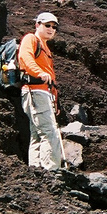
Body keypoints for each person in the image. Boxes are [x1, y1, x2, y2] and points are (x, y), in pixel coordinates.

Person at [18, 12, 65, 170]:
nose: (51, 29)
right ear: (37, 25)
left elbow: (51, 79)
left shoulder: (45, 48)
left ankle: (36, 171)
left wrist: (55, 102)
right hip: (35, 92)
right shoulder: (31, 39)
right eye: (47, 25)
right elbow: (25, 57)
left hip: (43, 94)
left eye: (54, 27)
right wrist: (39, 73)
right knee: (49, 132)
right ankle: (51, 171)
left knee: (37, 134)